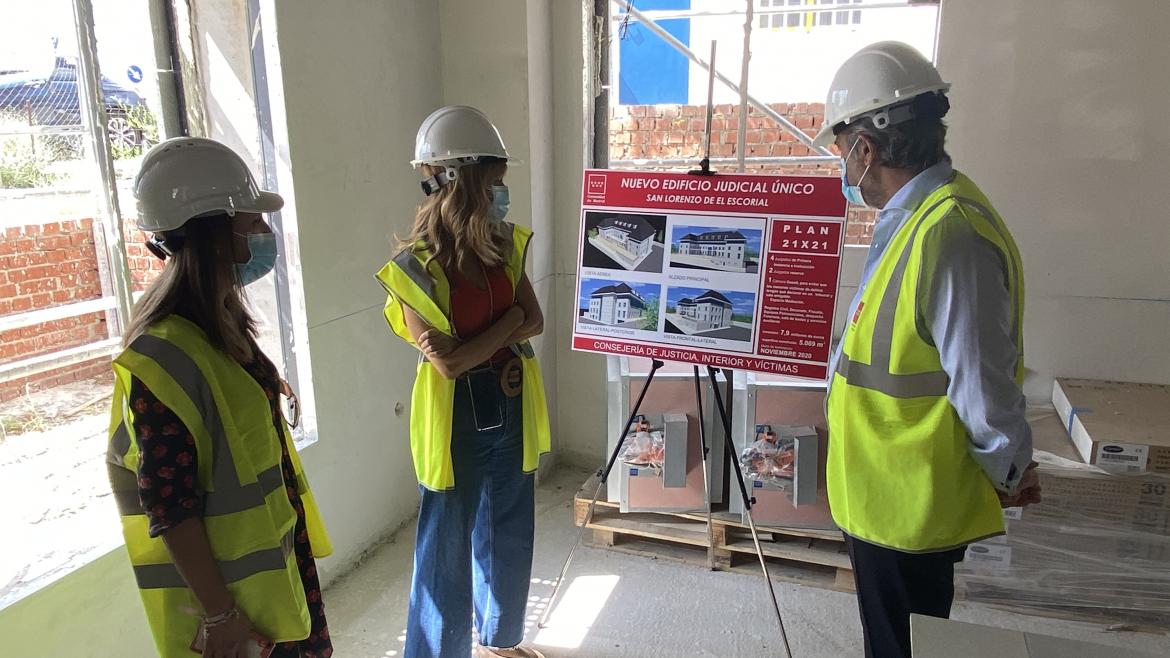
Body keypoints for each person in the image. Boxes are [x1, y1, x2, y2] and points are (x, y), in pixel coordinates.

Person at [816, 42, 1042, 658]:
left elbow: (980, 374)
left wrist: (1009, 467)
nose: (841, 165)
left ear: (865, 147)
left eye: (841, 149)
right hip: (885, 495)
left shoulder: (950, 232)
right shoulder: (913, 219)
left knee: (903, 649)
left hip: (912, 504)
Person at [106, 137, 333, 658]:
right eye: (252, 222)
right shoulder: (163, 356)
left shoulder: (218, 323)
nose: (263, 233)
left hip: (272, 578)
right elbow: (168, 502)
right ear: (213, 230)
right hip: (233, 609)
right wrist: (221, 614)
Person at [376, 106, 552, 658]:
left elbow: (538, 319)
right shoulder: (415, 268)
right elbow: (448, 367)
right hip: (456, 412)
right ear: (462, 181)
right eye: (496, 182)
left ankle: (501, 640)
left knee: (509, 526)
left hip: (509, 393)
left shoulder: (505, 245)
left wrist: (482, 339)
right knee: (445, 546)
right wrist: (507, 324)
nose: (502, 194)